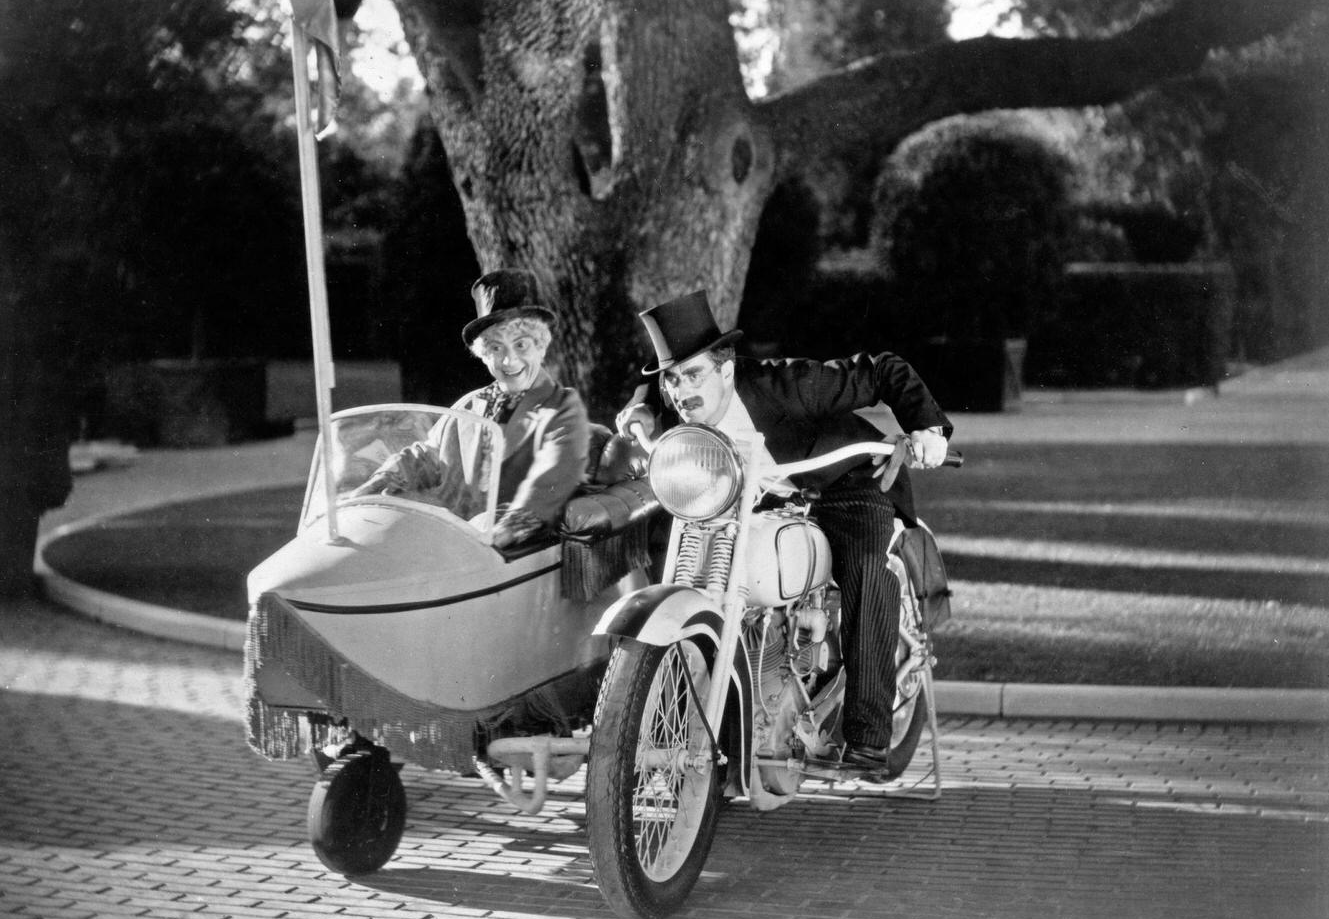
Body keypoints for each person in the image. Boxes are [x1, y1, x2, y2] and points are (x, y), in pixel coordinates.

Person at [617, 289, 952, 771]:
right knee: (676, 546)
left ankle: (868, 735)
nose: (680, 391)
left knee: (864, 568)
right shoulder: (681, 404)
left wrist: (929, 432)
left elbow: (882, 370)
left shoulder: (787, 385)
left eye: (692, 375)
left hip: (844, 482)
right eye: (671, 380)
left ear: (727, 369)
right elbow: (653, 387)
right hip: (760, 496)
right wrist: (642, 405)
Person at [353, 269, 590, 549]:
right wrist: (375, 485)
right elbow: (428, 455)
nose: (509, 360)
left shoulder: (562, 406)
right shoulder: (469, 404)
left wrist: (505, 530)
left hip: (515, 549)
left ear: (540, 347)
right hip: (452, 542)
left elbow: (555, 474)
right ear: (483, 355)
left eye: (521, 344)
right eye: (496, 348)